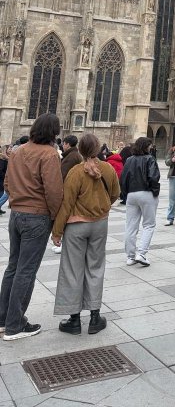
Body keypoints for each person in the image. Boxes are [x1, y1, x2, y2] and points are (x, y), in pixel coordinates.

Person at [0, 114, 63, 340]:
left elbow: (7, 183)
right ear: (53, 132)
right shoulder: (49, 154)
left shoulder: (17, 151)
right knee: (26, 271)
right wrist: (57, 220)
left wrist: (19, 197)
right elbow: (54, 191)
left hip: (16, 215)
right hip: (36, 217)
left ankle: (3, 319)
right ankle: (15, 325)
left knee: (13, 267)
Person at [51, 133, 120, 335]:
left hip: (76, 225)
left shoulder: (75, 172)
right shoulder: (107, 169)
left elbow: (67, 204)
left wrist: (57, 231)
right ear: (98, 149)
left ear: (80, 150)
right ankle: (95, 317)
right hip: (99, 225)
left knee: (73, 270)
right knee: (95, 268)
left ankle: (74, 319)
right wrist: (102, 207)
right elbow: (115, 193)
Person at [121, 136, 161, 266]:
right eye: (149, 145)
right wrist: (155, 191)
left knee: (131, 226)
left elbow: (123, 178)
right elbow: (154, 177)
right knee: (149, 224)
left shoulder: (129, 160)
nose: (151, 147)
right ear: (145, 146)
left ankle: (130, 256)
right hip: (146, 192)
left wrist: (126, 194)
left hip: (132, 194)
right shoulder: (150, 159)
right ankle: (142, 253)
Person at [0, 145, 10, 215]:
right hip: (2, 179)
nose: (10, 149)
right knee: (5, 194)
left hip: (4, 179)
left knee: (2, 194)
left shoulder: (6, 159)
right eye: (9, 148)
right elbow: (1, 170)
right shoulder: (2, 159)